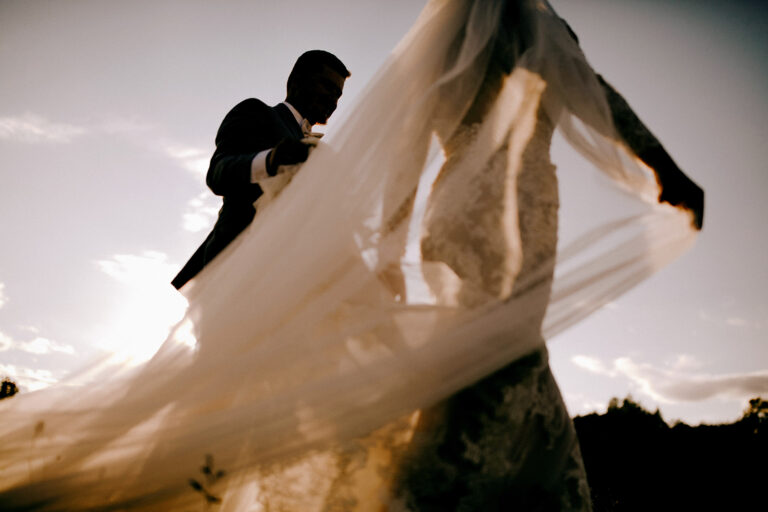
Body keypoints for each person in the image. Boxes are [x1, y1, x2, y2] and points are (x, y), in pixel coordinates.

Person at [171, 50, 349, 290]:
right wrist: (270, 161)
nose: (333, 100)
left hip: (292, 274)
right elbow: (218, 172)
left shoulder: (323, 152)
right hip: (236, 266)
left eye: (338, 95)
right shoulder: (257, 112)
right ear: (296, 81)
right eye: (327, 87)